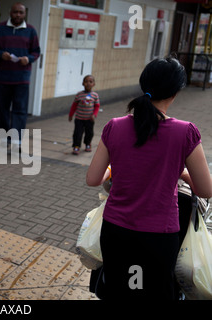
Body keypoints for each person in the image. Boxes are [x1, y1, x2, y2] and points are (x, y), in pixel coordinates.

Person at [86, 57, 212, 300]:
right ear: (175, 92)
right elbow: (205, 189)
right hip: (159, 237)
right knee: (153, 293)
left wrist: (114, 169)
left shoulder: (114, 126)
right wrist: (180, 171)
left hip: (115, 231)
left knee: (118, 291)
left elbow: (93, 178)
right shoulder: (186, 132)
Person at [0, 2, 40, 147]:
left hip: (22, 78)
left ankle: (17, 140)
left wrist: (28, 59)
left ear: (25, 14)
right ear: (10, 13)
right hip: (3, 78)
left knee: (20, 110)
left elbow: (36, 52)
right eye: (15, 12)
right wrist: (0, 54)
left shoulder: (31, 30)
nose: (18, 15)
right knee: (3, 110)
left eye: (21, 12)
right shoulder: (0, 28)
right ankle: (5, 138)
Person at [68, 75, 100, 155]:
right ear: (83, 83)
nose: (88, 83)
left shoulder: (95, 95)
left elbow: (97, 106)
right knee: (77, 133)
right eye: (86, 81)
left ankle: (88, 144)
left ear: (94, 84)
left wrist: (94, 115)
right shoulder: (79, 94)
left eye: (90, 81)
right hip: (79, 118)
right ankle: (76, 146)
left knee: (89, 133)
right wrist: (71, 115)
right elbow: (74, 105)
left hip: (89, 119)